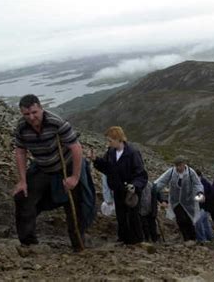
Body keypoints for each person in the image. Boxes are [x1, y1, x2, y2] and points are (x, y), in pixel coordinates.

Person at [13, 94, 96, 251]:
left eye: (34, 112)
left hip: (67, 165)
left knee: (76, 206)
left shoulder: (56, 122)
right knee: (22, 197)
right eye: (26, 114)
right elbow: (20, 152)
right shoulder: (21, 127)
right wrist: (22, 181)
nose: (31, 117)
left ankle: (78, 244)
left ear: (41, 108)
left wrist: (75, 177)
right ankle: (28, 243)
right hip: (43, 167)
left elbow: (76, 148)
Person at [91, 126, 148, 245]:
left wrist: (135, 186)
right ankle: (123, 239)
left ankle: (137, 241)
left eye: (110, 141)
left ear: (118, 139)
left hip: (131, 191)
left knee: (133, 216)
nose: (109, 143)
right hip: (118, 189)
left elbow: (141, 174)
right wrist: (96, 160)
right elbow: (107, 168)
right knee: (121, 215)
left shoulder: (132, 153)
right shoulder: (111, 152)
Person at [153, 156, 203, 241]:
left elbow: (197, 184)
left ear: (184, 164)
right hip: (176, 201)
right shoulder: (171, 172)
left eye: (180, 165)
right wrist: (153, 188)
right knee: (181, 219)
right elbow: (162, 181)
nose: (178, 168)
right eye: (176, 165)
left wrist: (200, 193)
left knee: (189, 219)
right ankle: (186, 238)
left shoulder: (191, 172)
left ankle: (193, 238)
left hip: (188, 201)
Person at [195, 169, 214, 244]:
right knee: (205, 222)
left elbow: (202, 198)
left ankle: (202, 239)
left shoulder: (204, 184)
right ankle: (210, 237)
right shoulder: (200, 183)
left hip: (205, 206)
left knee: (198, 221)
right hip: (202, 206)